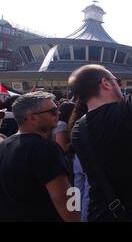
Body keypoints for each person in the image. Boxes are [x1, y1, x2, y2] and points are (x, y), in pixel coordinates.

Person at [69, 64, 132, 222]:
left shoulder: (78, 129)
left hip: (103, 212)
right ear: (105, 83)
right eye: (117, 81)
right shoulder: (126, 111)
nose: (120, 85)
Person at [0, 92, 79, 221]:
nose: (58, 113)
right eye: (53, 111)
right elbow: (63, 197)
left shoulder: (3, 146)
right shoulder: (45, 148)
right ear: (32, 118)